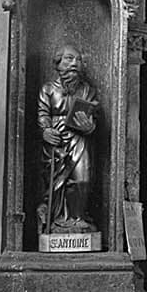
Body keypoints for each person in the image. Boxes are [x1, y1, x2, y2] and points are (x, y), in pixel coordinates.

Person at [37, 46, 101, 235]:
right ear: (58, 63)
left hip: (79, 140)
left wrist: (89, 126)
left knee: (82, 179)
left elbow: (94, 117)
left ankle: (77, 218)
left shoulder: (87, 90)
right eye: (69, 59)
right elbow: (42, 114)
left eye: (78, 60)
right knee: (57, 184)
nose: (74, 63)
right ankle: (57, 220)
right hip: (56, 142)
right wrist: (45, 131)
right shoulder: (48, 89)